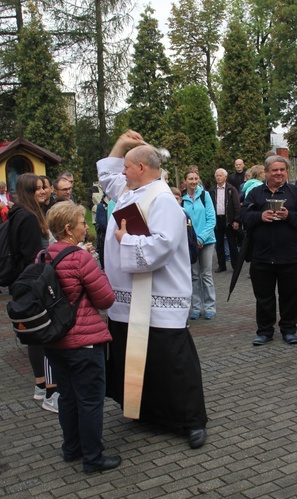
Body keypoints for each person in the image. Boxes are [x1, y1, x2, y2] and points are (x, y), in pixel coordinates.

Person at [99, 130, 208, 449]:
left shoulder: (162, 200)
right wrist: (121, 143)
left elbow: (162, 246)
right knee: (136, 358)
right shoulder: (130, 190)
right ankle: (147, 411)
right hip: (128, 296)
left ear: (142, 169)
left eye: (127, 167)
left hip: (159, 298)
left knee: (171, 361)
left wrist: (124, 240)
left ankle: (191, 420)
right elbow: (107, 176)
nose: (122, 173)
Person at [43, 202, 120, 473]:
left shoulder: (43, 256)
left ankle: (71, 448)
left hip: (54, 341)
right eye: (81, 223)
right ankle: (93, 458)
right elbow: (105, 298)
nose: (86, 227)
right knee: (89, 400)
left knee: (67, 397)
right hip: (84, 341)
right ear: (68, 228)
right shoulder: (79, 257)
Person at [241, 155, 297, 346]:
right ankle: (265, 331)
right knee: (264, 297)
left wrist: (289, 216)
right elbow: (244, 216)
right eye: (275, 170)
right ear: (266, 172)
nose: (279, 173)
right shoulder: (256, 193)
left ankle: (289, 329)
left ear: (287, 172)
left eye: (282, 170)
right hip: (262, 256)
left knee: (290, 295)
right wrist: (260, 216)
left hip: (289, 255)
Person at [8, 174, 59, 412]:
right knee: (43, 335)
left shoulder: (23, 213)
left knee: (36, 334)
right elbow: (33, 257)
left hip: (27, 283)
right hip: (33, 284)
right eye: (37, 188)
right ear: (28, 191)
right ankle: (49, 390)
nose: (43, 191)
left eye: (43, 187)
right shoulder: (28, 217)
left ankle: (41, 386)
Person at [182, 170, 217, 320]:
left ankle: (210, 307)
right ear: (185, 180)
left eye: (196, 178)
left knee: (206, 275)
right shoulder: (181, 198)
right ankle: (196, 307)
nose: (194, 181)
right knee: (194, 276)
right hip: (190, 242)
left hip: (207, 241)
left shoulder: (205, 195)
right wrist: (192, 240)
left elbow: (211, 219)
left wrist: (201, 238)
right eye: (191, 179)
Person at [209, 168, 240, 273]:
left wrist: (236, 220)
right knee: (219, 244)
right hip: (217, 220)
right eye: (217, 175)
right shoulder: (212, 190)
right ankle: (221, 266)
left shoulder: (231, 189)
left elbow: (236, 205)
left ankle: (236, 266)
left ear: (225, 177)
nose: (218, 177)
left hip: (229, 220)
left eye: (220, 175)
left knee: (232, 244)